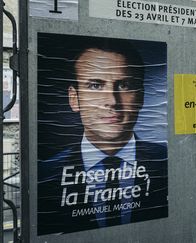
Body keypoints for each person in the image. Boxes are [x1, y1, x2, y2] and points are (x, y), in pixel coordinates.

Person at [37, 36, 168, 235]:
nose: (111, 101)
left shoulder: (168, 161)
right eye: (95, 85)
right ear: (74, 99)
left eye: (124, 85)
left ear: (140, 96)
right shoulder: (44, 175)